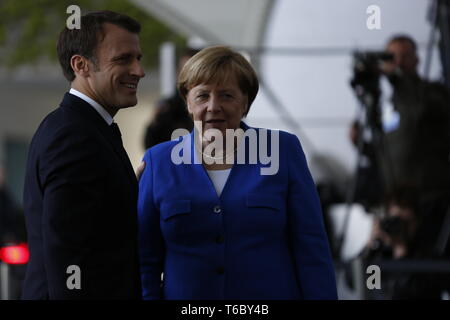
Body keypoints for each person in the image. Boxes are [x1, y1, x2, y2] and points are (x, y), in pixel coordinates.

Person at [138, 46, 337, 300]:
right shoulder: (158, 162)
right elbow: (146, 260)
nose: (213, 106)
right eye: (202, 96)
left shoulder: (283, 151)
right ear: (187, 102)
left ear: (246, 102)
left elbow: (311, 248)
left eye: (226, 95)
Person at [22, 11, 145, 299]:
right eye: (123, 59)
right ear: (81, 65)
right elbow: (67, 254)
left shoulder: (82, 128)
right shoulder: (74, 136)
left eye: (138, 58)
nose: (139, 70)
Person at [143, 48, 198, 149]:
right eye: (184, 70)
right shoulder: (167, 107)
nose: (188, 77)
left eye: (192, 71)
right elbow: (150, 146)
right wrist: (154, 124)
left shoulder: (213, 106)